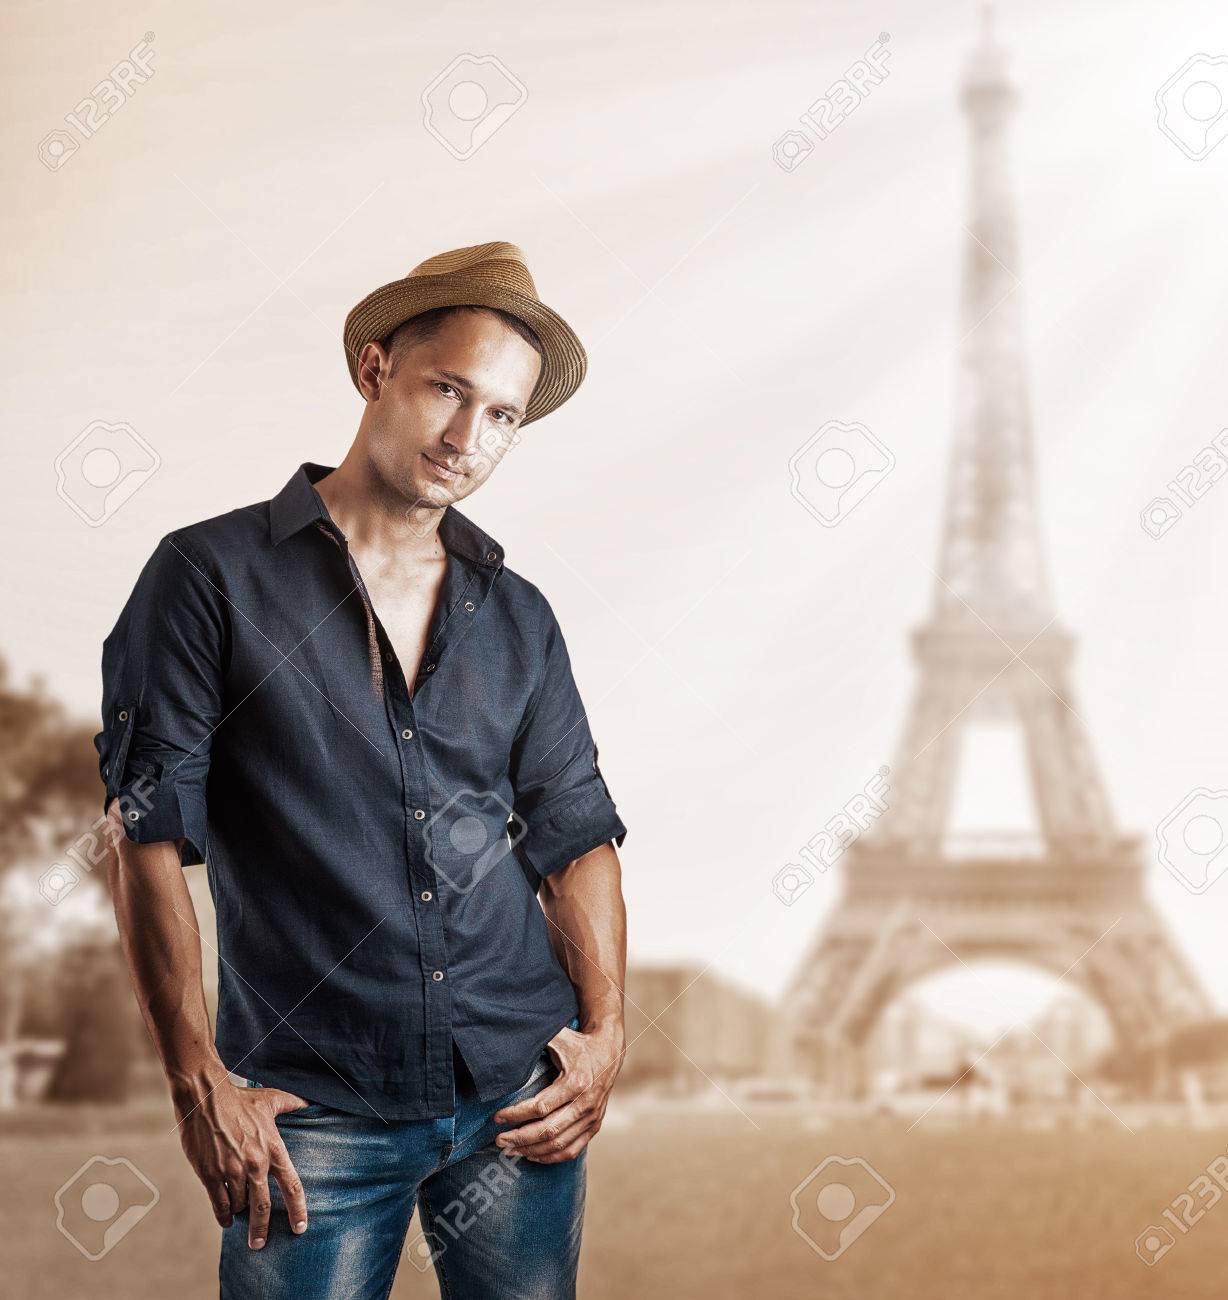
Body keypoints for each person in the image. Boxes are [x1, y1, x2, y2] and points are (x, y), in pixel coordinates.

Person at [96, 241, 629, 1299]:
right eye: (448, 389)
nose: (467, 438)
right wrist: (197, 1077)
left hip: (519, 1093)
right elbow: (147, 833)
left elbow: (575, 835)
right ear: (374, 367)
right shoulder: (209, 576)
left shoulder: (519, 615)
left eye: (503, 415)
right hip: (315, 1113)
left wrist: (607, 1031)